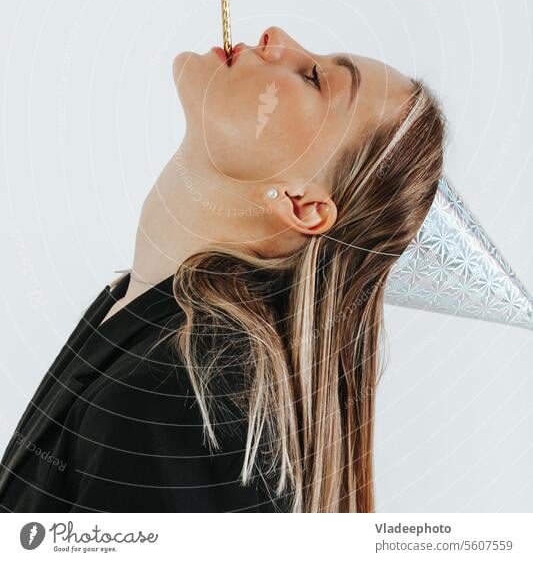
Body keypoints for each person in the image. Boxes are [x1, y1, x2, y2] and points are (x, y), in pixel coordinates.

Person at [0, 25, 446, 513]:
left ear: (302, 205)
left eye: (315, 77)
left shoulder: (181, 402)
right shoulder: (140, 315)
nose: (276, 35)